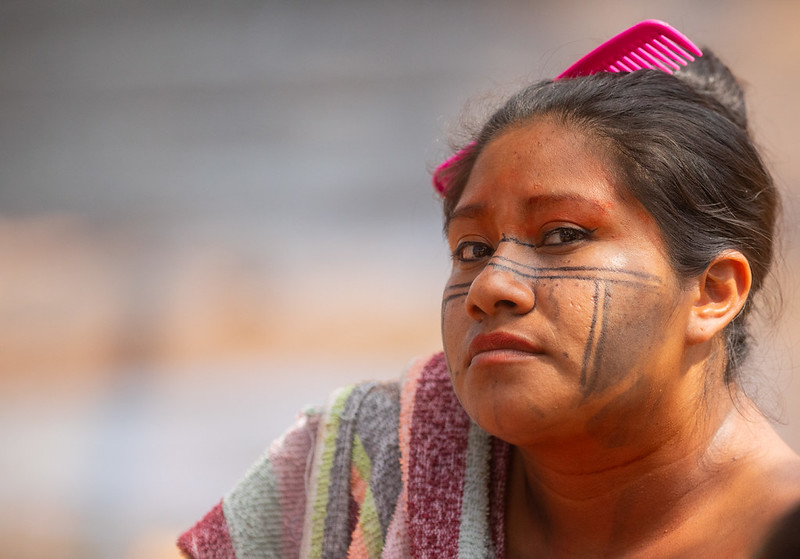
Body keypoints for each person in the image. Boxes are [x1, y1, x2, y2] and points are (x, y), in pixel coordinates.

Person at [178, 21, 800, 558]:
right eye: (470, 249)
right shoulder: (371, 469)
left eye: (561, 234)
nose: (491, 286)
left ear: (713, 293)